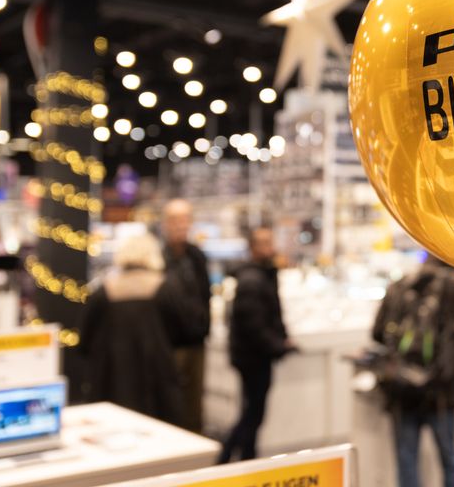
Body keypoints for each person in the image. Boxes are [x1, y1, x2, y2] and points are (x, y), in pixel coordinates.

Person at [372, 255, 454, 487]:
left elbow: (377, 333)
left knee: (406, 459)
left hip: (401, 388)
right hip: (440, 388)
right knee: (449, 457)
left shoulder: (398, 285)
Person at [80, 233, 202, 426]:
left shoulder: (105, 290)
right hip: (156, 381)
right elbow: (187, 330)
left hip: (111, 380)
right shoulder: (165, 287)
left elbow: (84, 341)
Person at [219, 227, 295, 462]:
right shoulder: (252, 280)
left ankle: (244, 458)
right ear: (252, 248)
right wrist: (278, 345)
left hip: (254, 355)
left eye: (270, 241)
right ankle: (226, 458)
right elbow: (253, 324)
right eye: (263, 243)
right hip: (252, 357)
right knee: (253, 413)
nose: (269, 248)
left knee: (253, 413)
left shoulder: (263, 275)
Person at [161, 198, 211, 433]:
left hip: (196, 341)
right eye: (175, 220)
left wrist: (204, 327)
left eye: (185, 219)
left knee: (194, 404)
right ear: (165, 223)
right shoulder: (159, 258)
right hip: (169, 344)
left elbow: (204, 295)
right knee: (170, 403)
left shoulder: (197, 256)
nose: (181, 225)